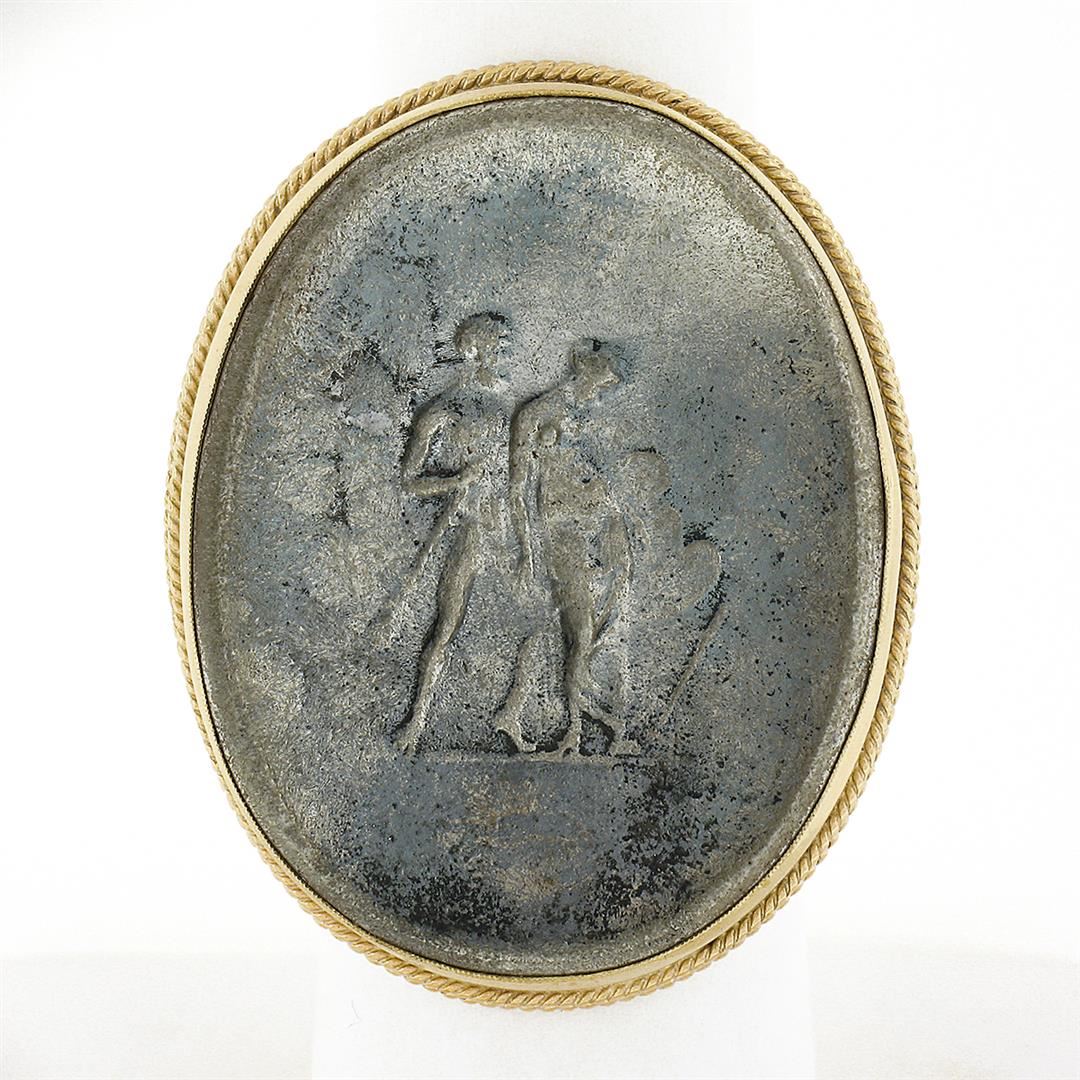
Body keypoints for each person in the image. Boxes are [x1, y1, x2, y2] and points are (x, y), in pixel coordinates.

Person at [504, 340, 638, 756]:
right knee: (578, 632)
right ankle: (577, 729)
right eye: (600, 381)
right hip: (561, 538)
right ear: (582, 368)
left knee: (591, 631)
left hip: (597, 535)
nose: (601, 391)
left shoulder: (584, 418)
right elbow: (517, 490)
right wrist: (527, 552)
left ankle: (576, 726)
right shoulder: (535, 415)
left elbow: (598, 482)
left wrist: (611, 518)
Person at [393, 314, 512, 753]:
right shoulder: (441, 413)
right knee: (446, 627)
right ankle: (418, 720)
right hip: (465, 530)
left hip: (504, 527)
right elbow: (408, 482)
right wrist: (457, 480)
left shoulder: (504, 409)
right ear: (475, 350)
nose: (505, 350)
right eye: (498, 343)